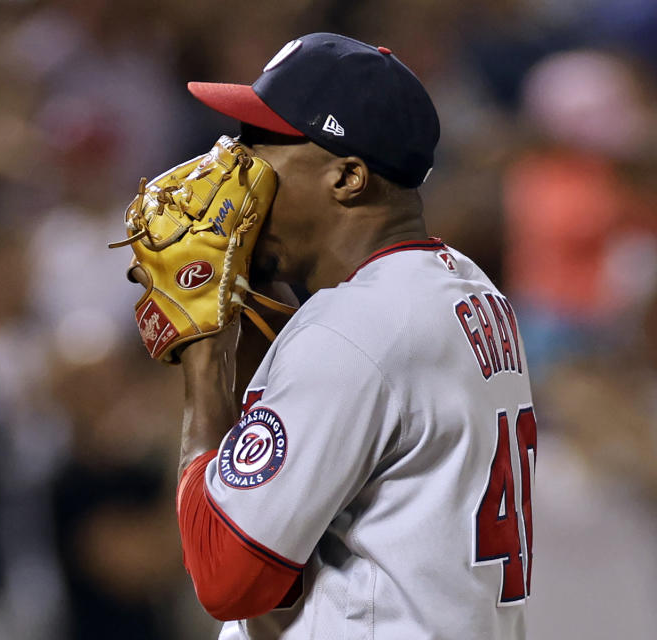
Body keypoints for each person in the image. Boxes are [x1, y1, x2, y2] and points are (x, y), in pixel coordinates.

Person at [168, 33, 537, 639]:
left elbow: (227, 576)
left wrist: (204, 356)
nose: (233, 167)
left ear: (348, 178)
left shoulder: (354, 330)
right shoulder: (471, 290)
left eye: (262, 145)